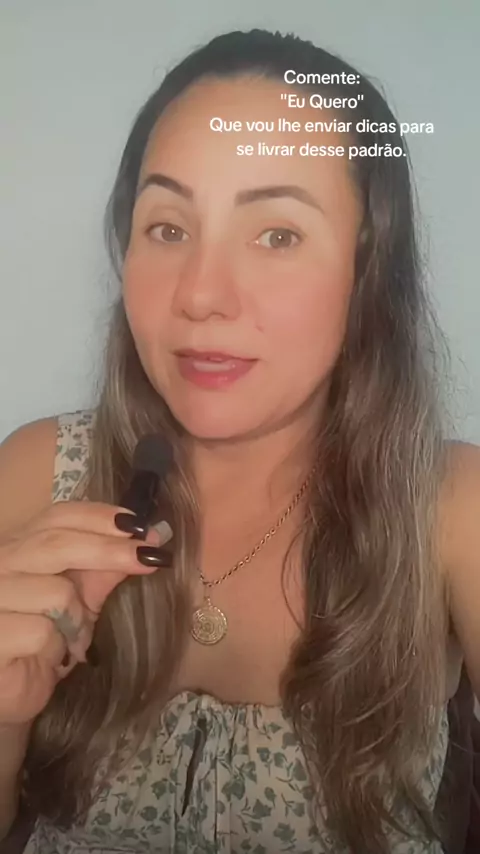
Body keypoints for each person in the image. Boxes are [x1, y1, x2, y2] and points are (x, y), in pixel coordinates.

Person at [0, 27, 479, 854]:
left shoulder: (451, 509)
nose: (200, 294)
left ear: (367, 273)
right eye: (167, 228)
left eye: (277, 234)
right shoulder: (36, 472)